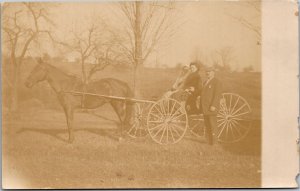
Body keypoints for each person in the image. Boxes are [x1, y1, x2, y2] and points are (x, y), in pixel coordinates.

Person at [200, 66, 222, 145]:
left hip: (211, 107)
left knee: (213, 125)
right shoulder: (205, 82)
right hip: (205, 107)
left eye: (209, 71)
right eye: (206, 72)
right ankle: (209, 141)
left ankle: (215, 142)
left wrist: (213, 105)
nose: (207, 73)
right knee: (207, 125)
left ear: (213, 72)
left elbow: (217, 95)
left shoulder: (216, 82)